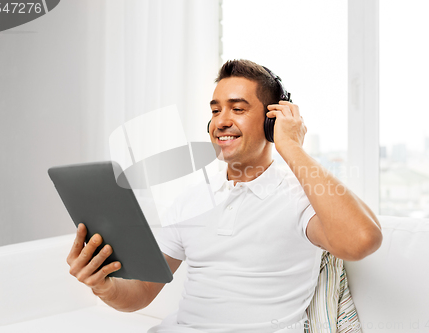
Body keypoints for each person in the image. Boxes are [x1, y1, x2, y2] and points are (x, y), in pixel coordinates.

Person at [66, 59, 382, 332]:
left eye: (238, 109)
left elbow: (362, 239)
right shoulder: (188, 200)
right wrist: (102, 284)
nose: (221, 121)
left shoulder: (301, 198)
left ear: (271, 123)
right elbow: (140, 293)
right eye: (215, 110)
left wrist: (292, 147)